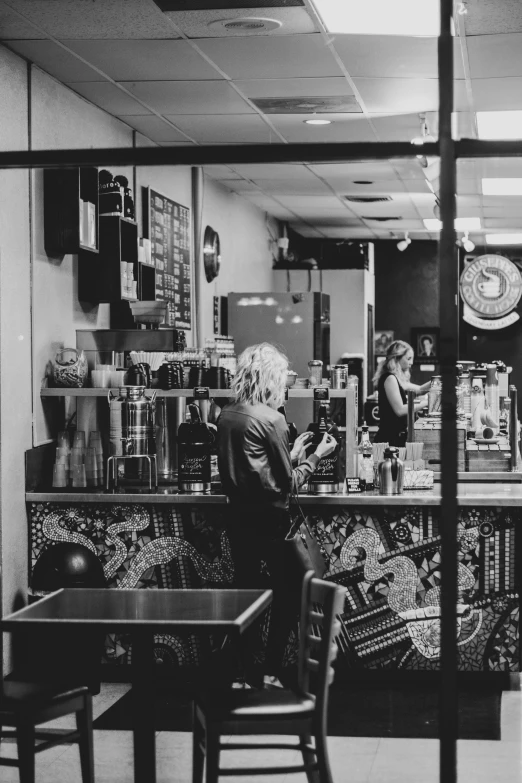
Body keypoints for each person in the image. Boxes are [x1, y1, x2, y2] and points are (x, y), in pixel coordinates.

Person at [217, 342, 337, 688]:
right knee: (287, 595)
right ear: (270, 380)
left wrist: (293, 452)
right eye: (283, 382)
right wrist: (315, 457)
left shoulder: (227, 415)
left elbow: (259, 468)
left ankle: (246, 672)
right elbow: (288, 486)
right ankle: (269, 669)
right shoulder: (273, 420)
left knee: (247, 595)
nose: (285, 389)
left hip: (239, 521)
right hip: (272, 523)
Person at [373, 340, 430, 447]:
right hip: (388, 440)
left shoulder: (397, 379)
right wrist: (428, 402)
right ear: (396, 358)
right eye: (408, 359)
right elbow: (400, 410)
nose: (411, 363)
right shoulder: (390, 378)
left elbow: (420, 389)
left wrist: (437, 380)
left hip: (396, 437)